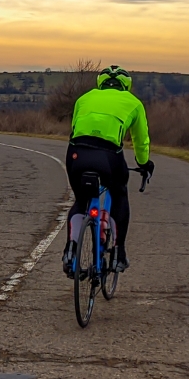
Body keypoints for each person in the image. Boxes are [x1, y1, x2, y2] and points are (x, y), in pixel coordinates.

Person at [61, 65, 153, 276]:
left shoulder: (84, 98)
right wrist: (143, 163)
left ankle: (70, 251)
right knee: (119, 194)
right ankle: (119, 253)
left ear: (100, 83)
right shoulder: (134, 103)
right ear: (126, 85)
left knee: (81, 200)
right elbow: (141, 141)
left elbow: (75, 128)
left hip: (76, 153)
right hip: (108, 156)